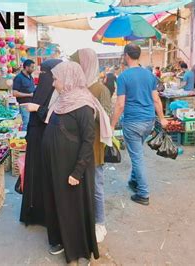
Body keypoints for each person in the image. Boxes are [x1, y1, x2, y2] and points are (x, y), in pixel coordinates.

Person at [42, 61, 112, 264]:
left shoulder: (83, 105)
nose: (54, 83)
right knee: (61, 205)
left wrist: (77, 172)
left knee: (75, 209)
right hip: (58, 165)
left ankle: (80, 251)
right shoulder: (62, 100)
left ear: (68, 79)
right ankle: (62, 241)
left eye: (56, 78)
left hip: (74, 169)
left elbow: (88, 141)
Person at [110, 43, 167, 206]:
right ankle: (134, 180)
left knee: (137, 157)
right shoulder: (149, 75)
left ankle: (143, 193)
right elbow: (156, 99)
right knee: (137, 153)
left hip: (133, 122)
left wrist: (112, 125)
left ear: (126, 55)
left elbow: (120, 104)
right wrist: (162, 118)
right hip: (148, 121)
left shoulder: (123, 77)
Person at [71, 48, 112, 243]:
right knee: (79, 186)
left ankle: (100, 223)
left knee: (96, 186)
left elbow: (107, 118)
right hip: (74, 147)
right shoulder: (74, 88)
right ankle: (83, 220)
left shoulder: (100, 89)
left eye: (77, 65)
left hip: (94, 146)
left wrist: (90, 110)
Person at [19, 59, 63, 226]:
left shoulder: (59, 92)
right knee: (34, 175)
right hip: (36, 138)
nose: (41, 75)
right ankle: (33, 212)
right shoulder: (45, 88)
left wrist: (37, 109)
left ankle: (44, 215)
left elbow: (54, 116)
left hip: (47, 139)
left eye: (45, 73)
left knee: (44, 177)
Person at [13, 59, 36, 130]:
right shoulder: (18, 78)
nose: (33, 69)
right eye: (32, 67)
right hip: (24, 105)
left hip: (31, 104)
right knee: (26, 123)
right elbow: (15, 93)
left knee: (31, 123)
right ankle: (24, 140)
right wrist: (29, 95)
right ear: (26, 67)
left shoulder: (30, 77)